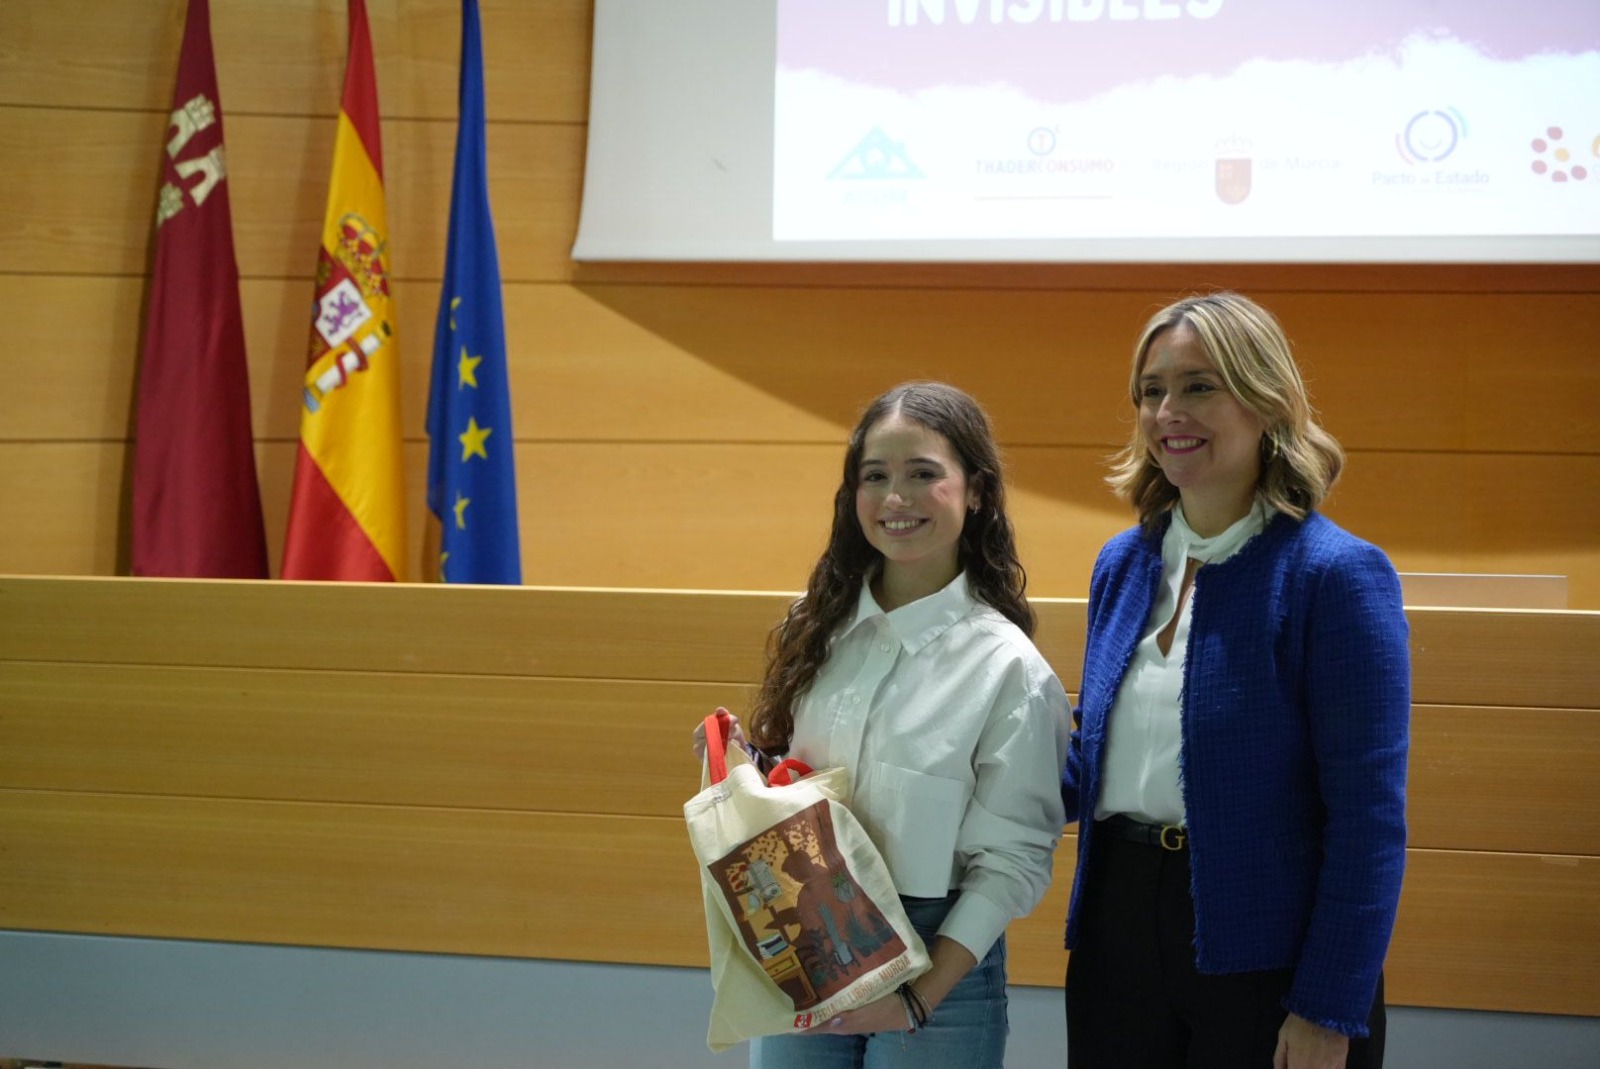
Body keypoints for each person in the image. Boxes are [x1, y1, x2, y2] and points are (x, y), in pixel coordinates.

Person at [1060, 293, 1410, 1069]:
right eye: (1151, 390)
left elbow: (1368, 820)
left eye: (1198, 386)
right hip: (1119, 934)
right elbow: (1092, 758)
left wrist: (1328, 1004)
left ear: (1266, 400)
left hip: (1269, 953)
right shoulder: (1123, 563)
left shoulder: (1334, 574)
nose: (1168, 412)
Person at [694, 381, 1070, 1068]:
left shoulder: (1009, 669)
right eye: (875, 477)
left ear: (976, 490)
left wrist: (919, 998)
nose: (896, 498)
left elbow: (1012, 863)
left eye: (922, 474)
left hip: (940, 967)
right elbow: (809, 785)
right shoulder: (816, 625)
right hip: (808, 942)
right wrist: (745, 766)